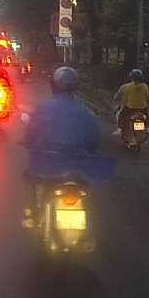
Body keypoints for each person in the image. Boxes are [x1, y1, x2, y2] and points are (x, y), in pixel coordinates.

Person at [23, 66, 104, 223]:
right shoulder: (85, 112)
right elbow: (94, 141)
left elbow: (31, 133)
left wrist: (30, 142)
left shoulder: (43, 108)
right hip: (77, 167)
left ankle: (34, 213)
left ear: (53, 86)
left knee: (32, 177)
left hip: (49, 165)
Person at [113, 68, 149, 137]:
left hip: (130, 107)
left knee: (120, 115)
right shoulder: (145, 86)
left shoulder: (127, 86)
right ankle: (147, 127)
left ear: (131, 77)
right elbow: (147, 96)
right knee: (146, 115)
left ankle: (120, 129)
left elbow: (120, 96)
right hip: (142, 108)